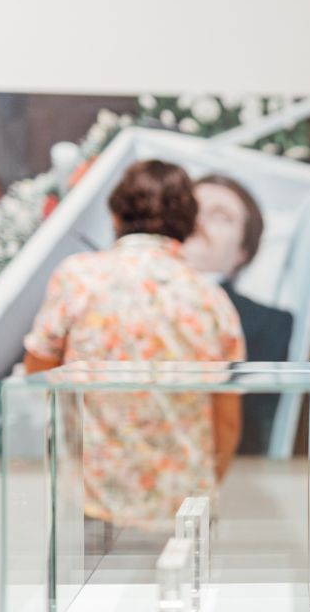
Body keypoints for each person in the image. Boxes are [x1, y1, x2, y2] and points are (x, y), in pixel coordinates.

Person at [23, 159, 244, 527]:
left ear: (116, 214)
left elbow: (37, 373)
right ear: (190, 225)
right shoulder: (211, 300)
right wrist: (206, 489)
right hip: (182, 509)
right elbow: (227, 420)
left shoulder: (79, 278)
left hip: (90, 500)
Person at [183, 173, 293, 454]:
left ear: (243, 250)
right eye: (188, 207)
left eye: (220, 216)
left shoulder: (272, 325)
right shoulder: (114, 291)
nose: (198, 220)